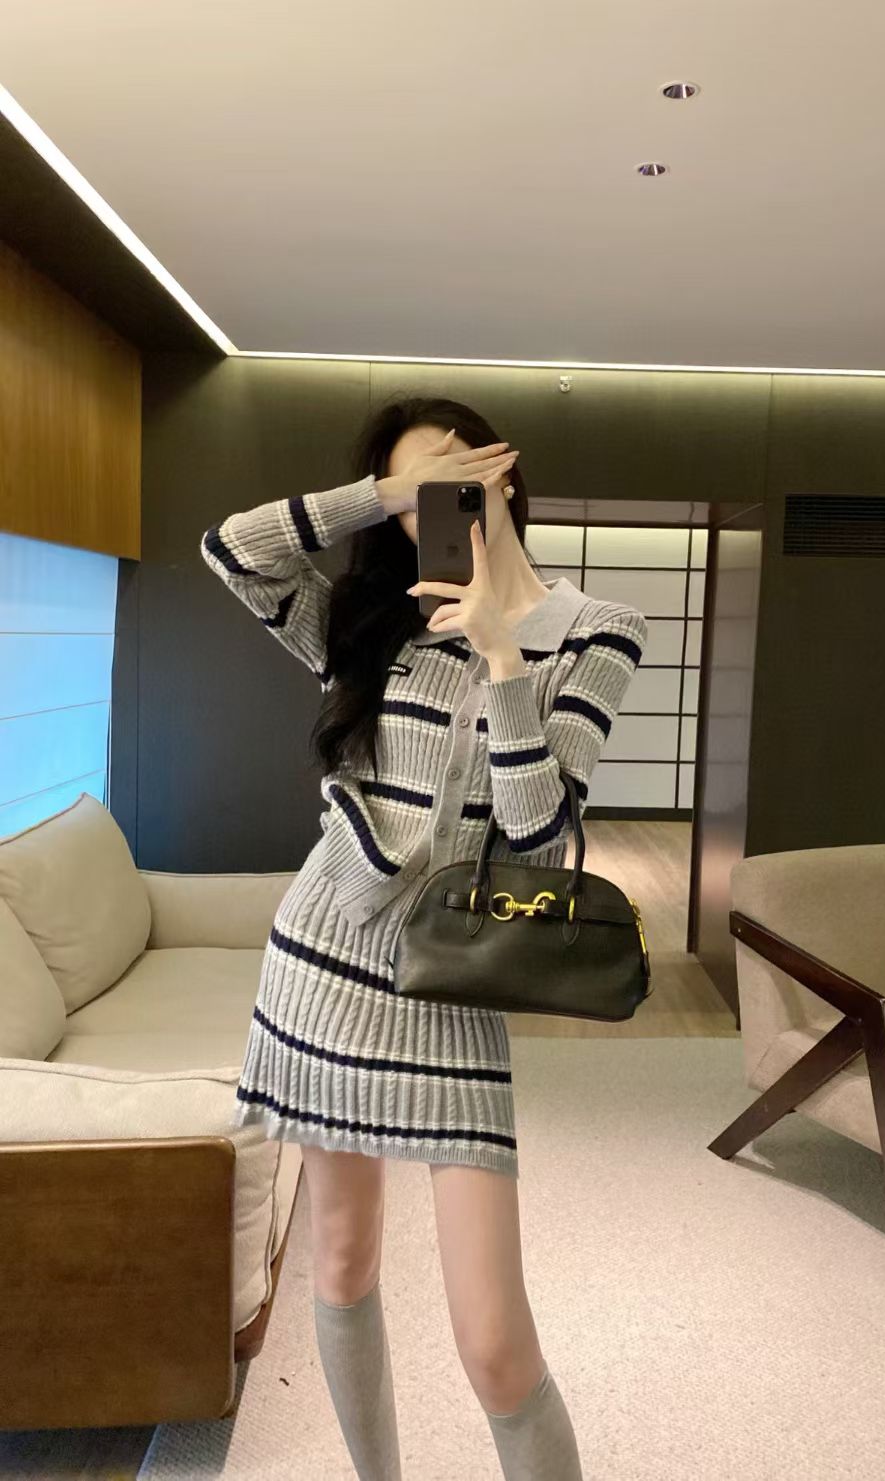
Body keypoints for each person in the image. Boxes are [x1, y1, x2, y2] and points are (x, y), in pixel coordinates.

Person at [199, 395, 648, 1479]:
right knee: (342, 1260)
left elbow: (540, 838)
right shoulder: (369, 622)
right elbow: (231, 549)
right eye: (411, 493)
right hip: (321, 967)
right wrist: (382, 494)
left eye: (451, 467)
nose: (433, 500)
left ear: (503, 469)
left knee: (496, 1345)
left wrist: (501, 655)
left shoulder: (598, 629)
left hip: (450, 989)